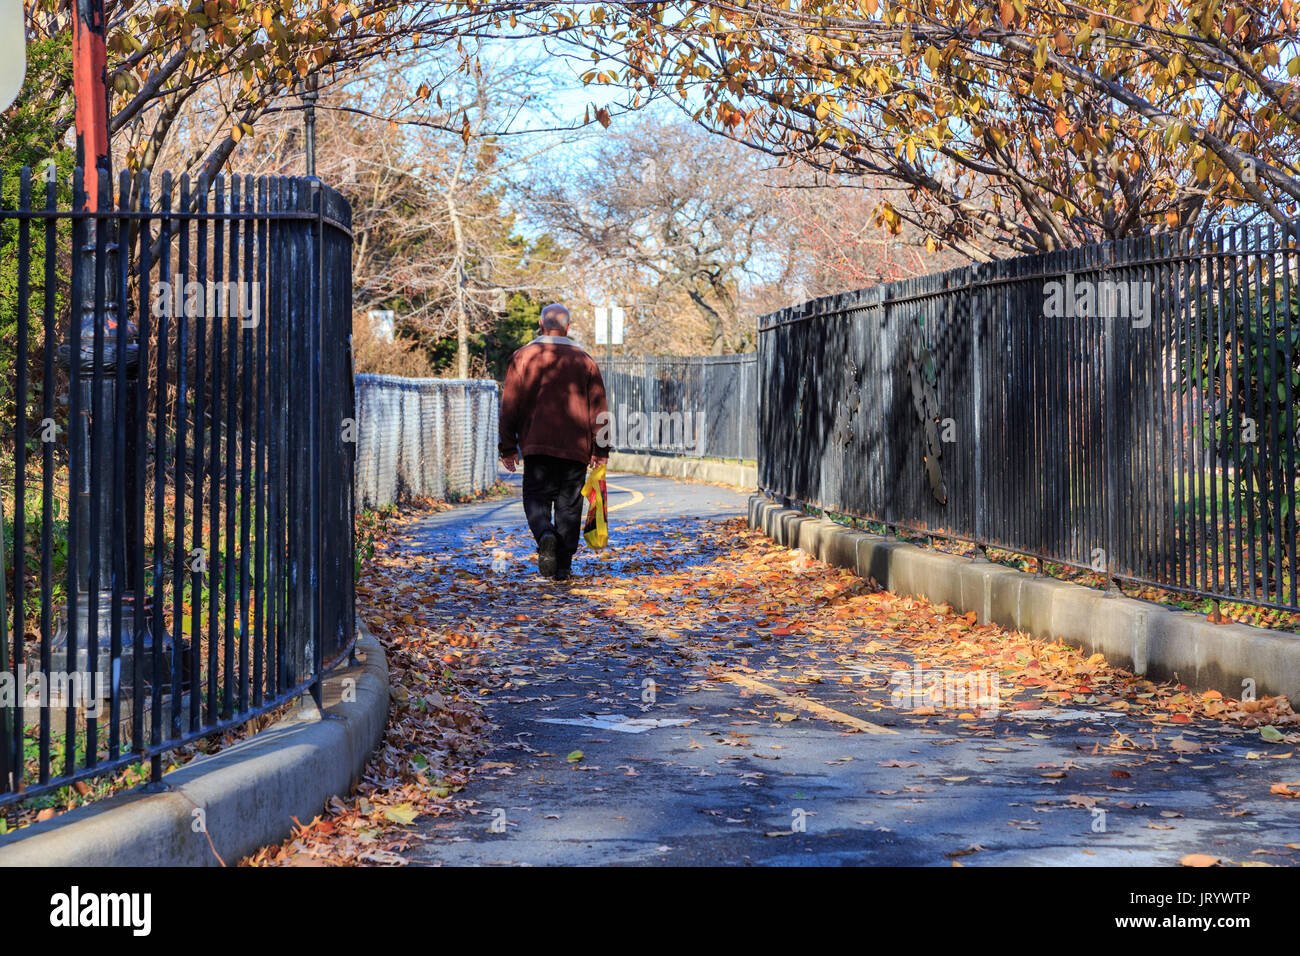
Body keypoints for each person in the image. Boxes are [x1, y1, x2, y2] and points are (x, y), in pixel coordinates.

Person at [498, 303, 610, 580]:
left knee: (535, 498)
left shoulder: (522, 357)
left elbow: (509, 405)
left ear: (540, 324)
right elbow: (600, 410)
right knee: (569, 505)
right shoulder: (585, 360)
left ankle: (545, 535)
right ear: (568, 327)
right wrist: (601, 449)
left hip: (536, 445)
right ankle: (563, 566)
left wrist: (508, 447)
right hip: (576, 448)